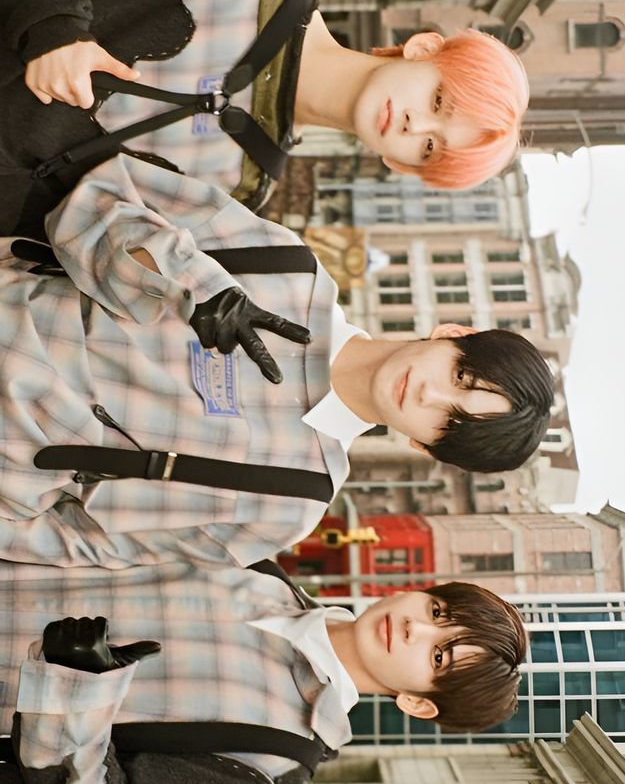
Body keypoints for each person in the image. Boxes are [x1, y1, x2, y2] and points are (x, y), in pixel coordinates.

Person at [0, 151, 555, 569]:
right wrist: (191, 281)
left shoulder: (294, 500)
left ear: (425, 446)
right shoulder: (290, 267)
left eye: (448, 420)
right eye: (460, 376)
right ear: (454, 333)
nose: (431, 395)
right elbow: (97, 199)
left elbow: (88, 546)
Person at [0, 0, 529, 238]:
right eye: (439, 100)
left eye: (430, 148)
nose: (416, 125)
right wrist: (53, 29)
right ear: (423, 48)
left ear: (400, 166)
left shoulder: (239, 192)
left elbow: (51, 232)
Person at [0, 565, 527, 784]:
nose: (415, 627)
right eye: (437, 609)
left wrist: (76, 687)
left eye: (437, 656)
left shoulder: (276, 763)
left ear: (416, 704)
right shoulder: (261, 573)